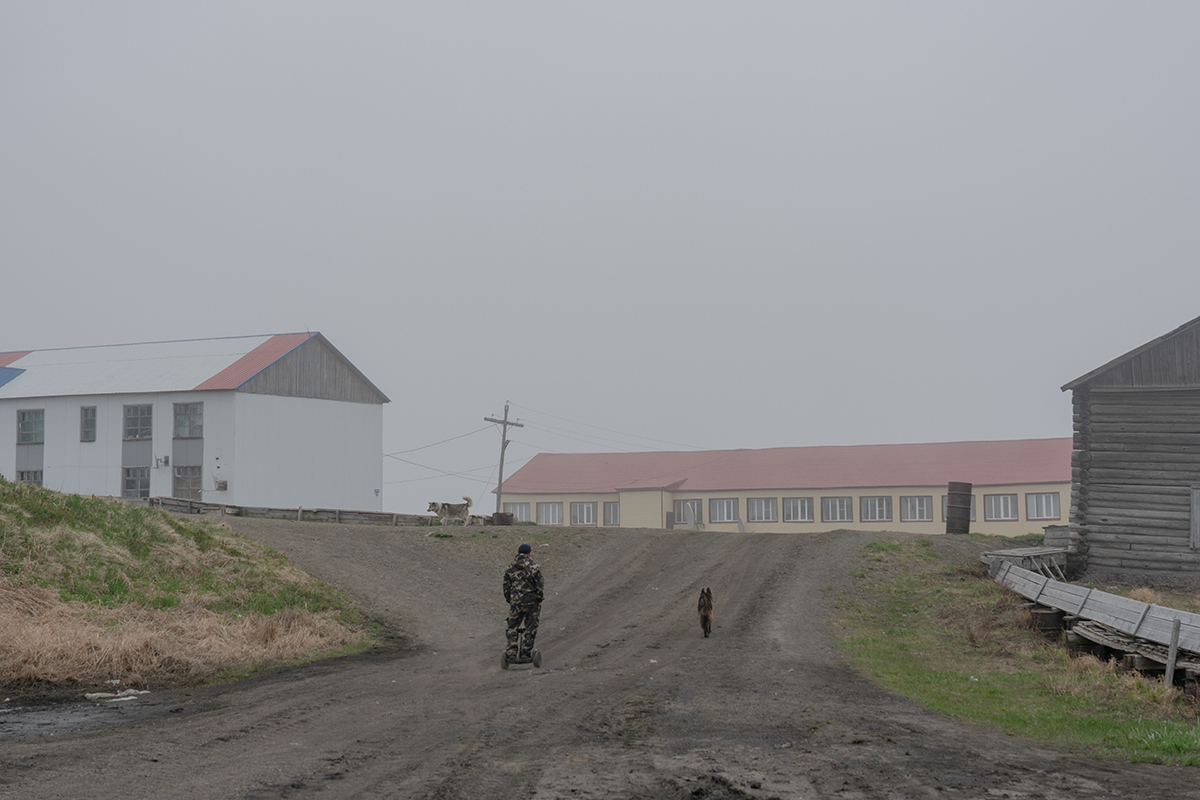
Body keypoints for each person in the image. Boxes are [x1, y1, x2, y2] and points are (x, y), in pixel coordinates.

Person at [503, 543, 544, 661]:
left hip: (516, 602)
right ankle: (526, 652)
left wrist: (510, 599)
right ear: (529, 553)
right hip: (531, 602)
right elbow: (539, 585)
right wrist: (539, 599)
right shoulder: (534, 567)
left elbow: (506, 587)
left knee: (512, 626)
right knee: (530, 627)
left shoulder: (510, 568)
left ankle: (511, 652)